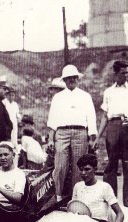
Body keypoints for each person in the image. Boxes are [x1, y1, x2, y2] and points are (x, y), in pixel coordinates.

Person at [47, 64, 97, 201]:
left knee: (78, 167)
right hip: (62, 132)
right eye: (69, 78)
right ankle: (55, 197)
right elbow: (52, 119)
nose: (72, 80)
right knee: (60, 165)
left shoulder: (85, 96)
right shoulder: (58, 97)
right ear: (64, 80)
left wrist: (92, 137)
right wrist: (51, 139)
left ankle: (76, 198)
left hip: (80, 132)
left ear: (78, 78)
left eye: (74, 77)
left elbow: (91, 118)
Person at [96, 60, 128, 208]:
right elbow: (104, 116)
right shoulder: (108, 92)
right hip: (112, 126)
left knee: (127, 165)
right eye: (122, 73)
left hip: (127, 128)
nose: (125, 75)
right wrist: (98, 136)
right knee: (111, 165)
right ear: (115, 73)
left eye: (127, 73)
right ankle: (109, 201)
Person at [72, 154, 124, 222]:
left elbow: (120, 214)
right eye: (81, 170)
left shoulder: (104, 187)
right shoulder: (77, 186)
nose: (83, 173)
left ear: (95, 169)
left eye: (87, 169)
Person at [0, 141, 26, 207]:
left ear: (13, 155)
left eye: (6, 154)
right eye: (0, 155)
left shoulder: (19, 174)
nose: (3, 158)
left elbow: (17, 198)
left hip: (9, 211)